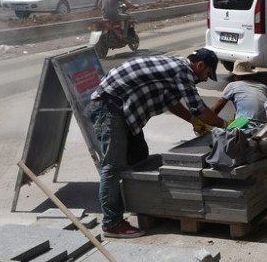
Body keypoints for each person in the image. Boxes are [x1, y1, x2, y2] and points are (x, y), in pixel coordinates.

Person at [88, 49, 227, 238]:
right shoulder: (183, 71)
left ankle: (141, 206)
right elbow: (198, 107)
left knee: (139, 157)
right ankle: (112, 223)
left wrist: (195, 122)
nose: (205, 79)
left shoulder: (173, 69)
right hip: (110, 106)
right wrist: (224, 125)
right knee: (113, 165)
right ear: (200, 65)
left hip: (120, 108)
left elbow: (171, 102)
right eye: (206, 74)